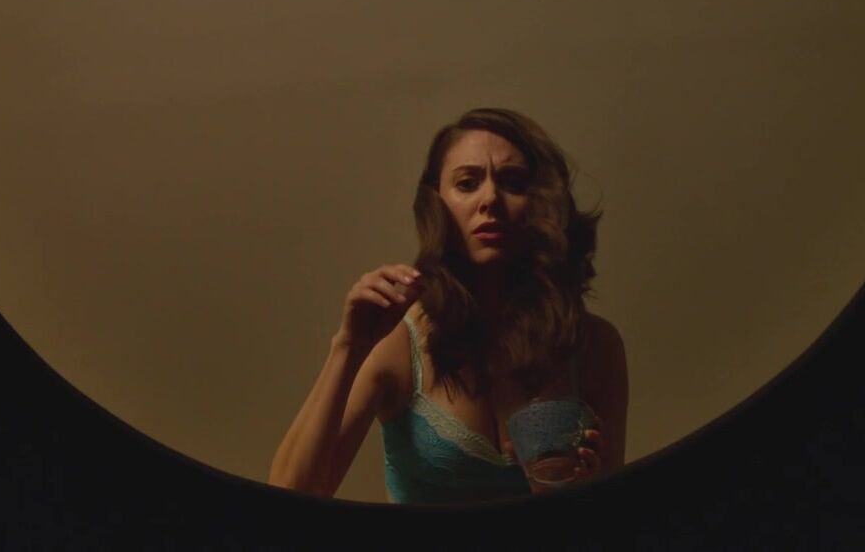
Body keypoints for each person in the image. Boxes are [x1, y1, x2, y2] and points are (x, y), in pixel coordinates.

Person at [268, 108, 628, 505]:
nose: (490, 199)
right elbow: (289, 496)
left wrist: (582, 490)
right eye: (467, 183)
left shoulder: (593, 345)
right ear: (436, 203)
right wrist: (348, 347)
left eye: (513, 182)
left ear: (542, 200)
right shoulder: (398, 340)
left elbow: (615, 522)